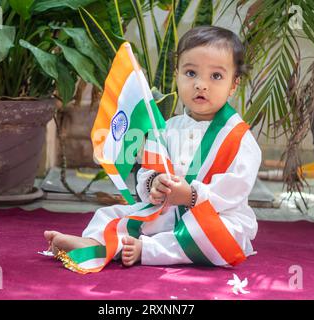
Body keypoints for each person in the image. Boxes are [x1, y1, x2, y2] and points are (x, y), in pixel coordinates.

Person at [44, 26, 261, 271]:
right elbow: (149, 168)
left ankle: (146, 249)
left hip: (217, 217)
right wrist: (154, 184)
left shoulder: (239, 137)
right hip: (168, 212)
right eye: (191, 73)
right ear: (177, 75)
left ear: (234, 85)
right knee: (112, 213)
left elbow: (235, 189)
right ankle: (93, 242)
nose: (201, 85)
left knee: (212, 235)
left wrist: (191, 195)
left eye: (216, 76)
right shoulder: (167, 128)